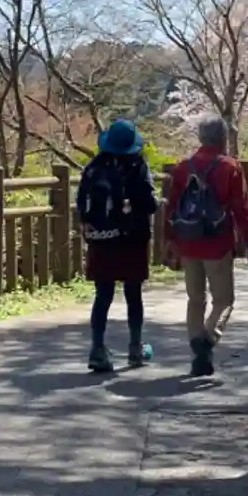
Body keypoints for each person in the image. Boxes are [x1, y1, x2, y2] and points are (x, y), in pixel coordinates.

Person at [165, 114, 248, 377]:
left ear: (201, 138)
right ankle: (207, 339)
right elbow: (240, 208)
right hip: (217, 243)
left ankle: (197, 347)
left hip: (189, 242)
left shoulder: (183, 167)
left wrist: (171, 239)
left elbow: (171, 207)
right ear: (223, 138)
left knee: (195, 299)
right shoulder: (230, 167)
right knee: (224, 300)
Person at [77, 118, 158, 373]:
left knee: (103, 295)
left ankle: (97, 349)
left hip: (102, 240)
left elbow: (81, 204)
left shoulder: (93, 168)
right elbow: (149, 204)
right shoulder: (138, 167)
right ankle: (135, 348)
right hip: (133, 239)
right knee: (133, 294)